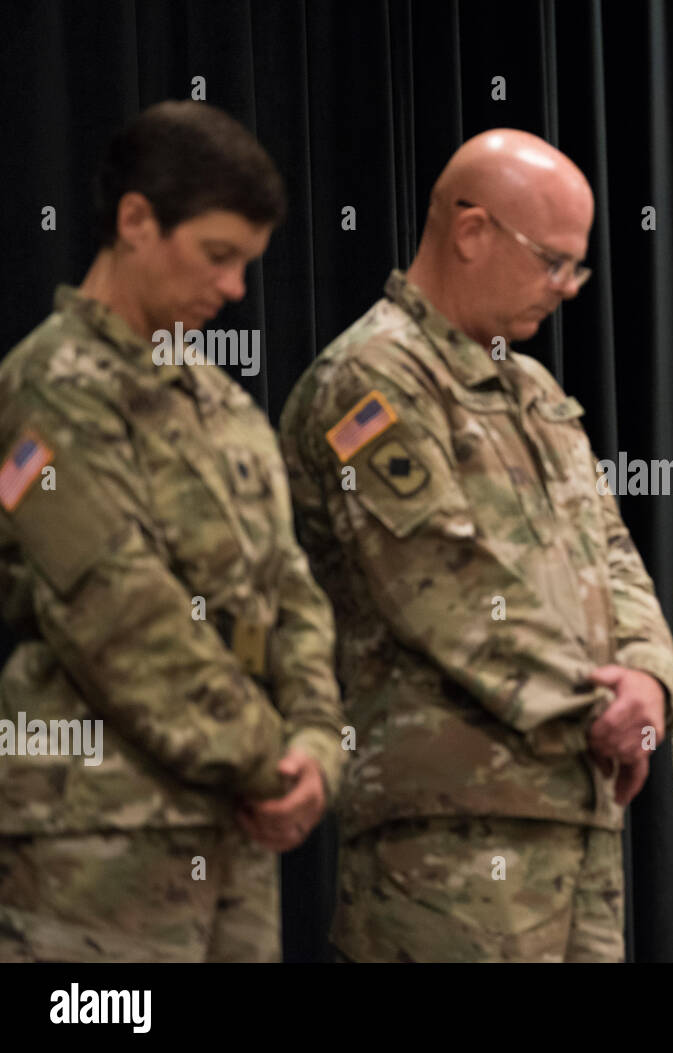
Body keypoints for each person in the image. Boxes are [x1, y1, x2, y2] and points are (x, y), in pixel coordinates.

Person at [280, 128, 673, 963]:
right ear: (471, 232)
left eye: (578, 266)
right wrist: (600, 708)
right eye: (552, 260)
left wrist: (649, 679)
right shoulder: (371, 380)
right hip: (449, 826)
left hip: (580, 807)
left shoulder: (532, 390)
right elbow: (439, 580)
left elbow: (612, 550)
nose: (568, 287)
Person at [0, 101, 343, 963]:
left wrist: (313, 748)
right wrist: (273, 761)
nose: (233, 290)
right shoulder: (49, 387)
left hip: (233, 828)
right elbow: (119, 609)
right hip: (100, 835)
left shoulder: (221, 403)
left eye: (246, 264)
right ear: (136, 221)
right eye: (218, 256)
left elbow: (291, 591)